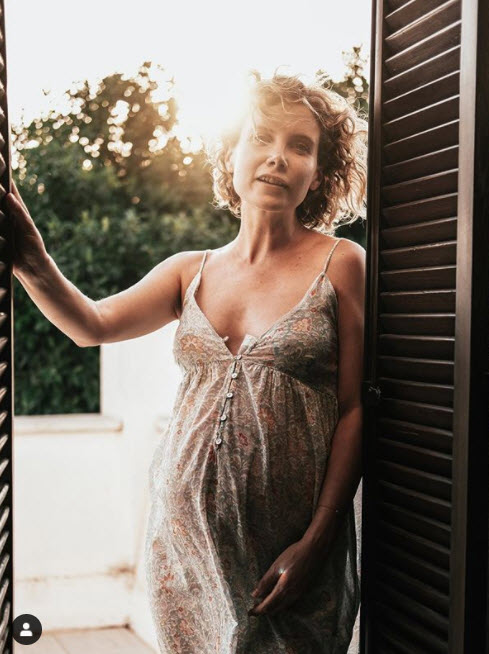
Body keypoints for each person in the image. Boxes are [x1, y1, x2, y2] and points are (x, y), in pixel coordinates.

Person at [8, 69, 367, 653]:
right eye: (261, 137)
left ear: (319, 173)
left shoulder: (342, 263)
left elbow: (354, 410)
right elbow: (90, 325)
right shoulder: (188, 271)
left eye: (299, 145)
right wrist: (31, 258)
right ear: (231, 154)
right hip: (181, 555)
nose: (277, 156)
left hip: (286, 561)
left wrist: (317, 541)